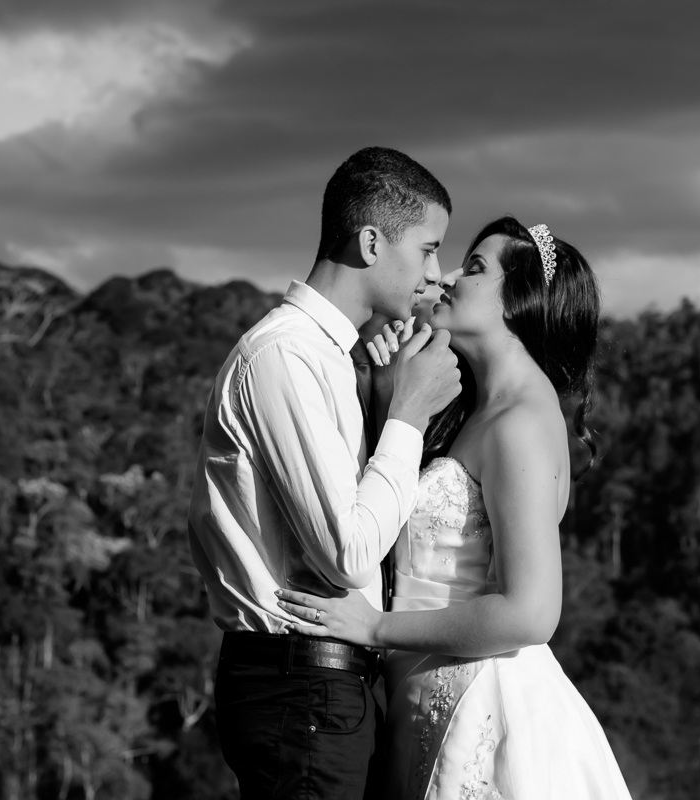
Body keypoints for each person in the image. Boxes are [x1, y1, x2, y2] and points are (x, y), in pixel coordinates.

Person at [277, 216, 634, 799]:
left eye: (473, 268)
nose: (442, 278)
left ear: (519, 304)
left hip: (480, 707)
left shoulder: (519, 421)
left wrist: (374, 627)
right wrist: (380, 384)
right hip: (428, 700)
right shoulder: (483, 411)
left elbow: (531, 613)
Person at [187, 146, 464, 799]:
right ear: (372, 242)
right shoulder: (285, 356)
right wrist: (409, 413)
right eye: (428, 248)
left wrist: (382, 393)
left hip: (322, 687)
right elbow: (346, 552)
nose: (438, 272)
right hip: (298, 686)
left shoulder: (331, 359)